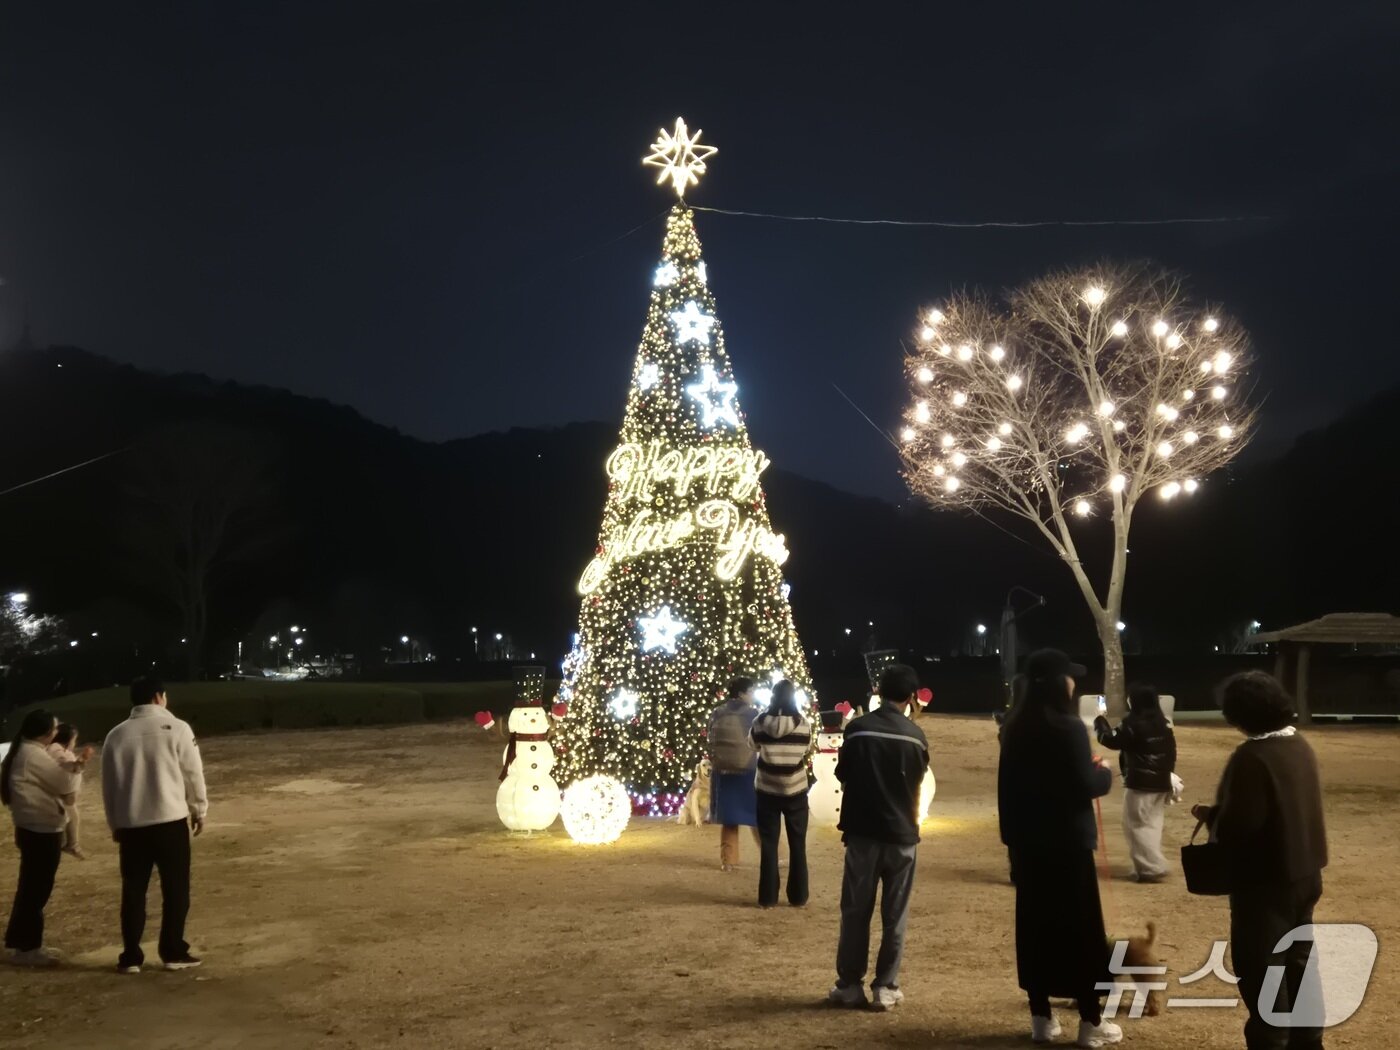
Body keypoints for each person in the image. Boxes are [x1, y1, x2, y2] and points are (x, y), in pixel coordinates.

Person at [1191, 671, 1327, 1050]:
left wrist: (1216, 818)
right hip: (1305, 874)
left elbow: (1242, 825)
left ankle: (1272, 1040)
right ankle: (1308, 1041)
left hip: (1265, 884)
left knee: (1263, 971)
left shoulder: (1252, 756)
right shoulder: (1298, 745)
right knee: (1299, 965)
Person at [998, 649, 1121, 1048]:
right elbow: (1086, 784)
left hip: (1029, 846)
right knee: (1080, 929)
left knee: (1036, 928)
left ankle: (1041, 1017)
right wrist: (1103, 773)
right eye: (1070, 677)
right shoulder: (1067, 727)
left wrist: (1012, 844)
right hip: (1068, 845)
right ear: (1057, 682)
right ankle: (1090, 1022)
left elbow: (1007, 792)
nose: (1074, 683)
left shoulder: (1014, 728)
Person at [828, 663, 929, 1012]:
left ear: (878, 691)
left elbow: (843, 773)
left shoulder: (857, 731)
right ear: (911, 697)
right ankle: (885, 986)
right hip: (901, 835)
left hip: (862, 834)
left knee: (855, 910)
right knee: (894, 914)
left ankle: (850, 984)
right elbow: (918, 780)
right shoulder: (915, 736)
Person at [103, 676, 209, 974]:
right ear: (158, 697)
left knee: (133, 889)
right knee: (176, 889)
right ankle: (173, 950)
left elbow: (109, 785)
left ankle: (131, 956)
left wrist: (115, 822)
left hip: (132, 824)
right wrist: (199, 809)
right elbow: (192, 773)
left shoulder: (116, 735)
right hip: (169, 821)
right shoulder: (177, 728)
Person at [2, 709, 86, 965]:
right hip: (40, 829)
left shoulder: (26, 751)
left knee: (30, 887)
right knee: (36, 890)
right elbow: (65, 785)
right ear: (45, 732)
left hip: (32, 827)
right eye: (54, 727)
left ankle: (20, 943)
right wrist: (78, 767)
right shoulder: (32, 754)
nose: (57, 731)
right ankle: (28, 948)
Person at [1094, 683, 1177, 883]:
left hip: (1141, 783)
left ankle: (1151, 868)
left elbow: (1111, 741)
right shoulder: (1163, 723)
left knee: (1136, 825)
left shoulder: (1133, 723)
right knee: (1152, 824)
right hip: (1161, 782)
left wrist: (1100, 723)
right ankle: (1147, 865)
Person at [748, 679, 812, 908]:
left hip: (766, 790)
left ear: (772, 698)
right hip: (795, 790)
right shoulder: (803, 724)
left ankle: (767, 897)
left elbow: (752, 746)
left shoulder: (759, 722)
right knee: (798, 844)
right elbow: (805, 749)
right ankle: (798, 896)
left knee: (768, 844)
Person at [707, 676, 760, 871]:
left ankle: (728, 860)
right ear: (742, 693)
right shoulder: (753, 714)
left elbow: (710, 740)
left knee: (730, 819)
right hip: (748, 770)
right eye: (751, 691)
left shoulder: (717, 712)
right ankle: (773, 855)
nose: (753, 695)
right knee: (758, 816)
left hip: (724, 772)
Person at [47, 723, 91, 860]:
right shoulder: (56, 751)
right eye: (74, 739)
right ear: (67, 739)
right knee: (69, 817)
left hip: (61, 794)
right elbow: (72, 768)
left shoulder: (60, 750)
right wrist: (83, 759)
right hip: (57, 794)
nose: (74, 742)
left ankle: (67, 844)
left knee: (68, 817)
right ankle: (70, 845)